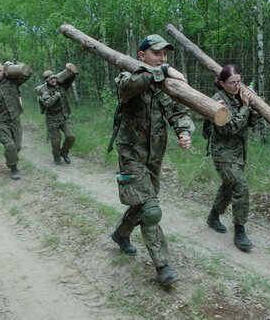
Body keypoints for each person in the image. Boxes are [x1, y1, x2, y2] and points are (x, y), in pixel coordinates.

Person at [110, 34, 195, 286]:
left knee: (141, 205)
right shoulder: (127, 78)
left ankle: (120, 234)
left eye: (165, 55)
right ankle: (162, 266)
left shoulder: (164, 87)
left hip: (154, 157)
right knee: (151, 210)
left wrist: (184, 131)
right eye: (157, 53)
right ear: (141, 55)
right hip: (131, 155)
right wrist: (165, 71)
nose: (162, 58)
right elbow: (130, 87)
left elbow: (179, 113)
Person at [206, 64, 260, 250]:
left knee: (229, 187)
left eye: (239, 82)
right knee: (240, 187)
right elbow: (229, 128)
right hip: (223, 154)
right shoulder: (217, 101)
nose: (236, 86)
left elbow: (249, 123)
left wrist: (254, 108)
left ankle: (213, 216)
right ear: (221, 83)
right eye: (232, 83)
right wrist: (245, 108)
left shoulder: (239, 97)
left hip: (239, 153)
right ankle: (240, 231)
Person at [37, 64, 77, 165]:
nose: (53, 80)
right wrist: (55, 96)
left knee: (71, 136)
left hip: (64, 117)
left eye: (54, 78)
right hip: (52, 120)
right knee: (56, 142)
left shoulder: (61, 85)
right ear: (46, 81)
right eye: (50, 79)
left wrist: (71, 71)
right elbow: (47, 104)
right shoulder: (44, 91)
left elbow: (70, 79)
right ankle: (56, 158)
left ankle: (64, 152)